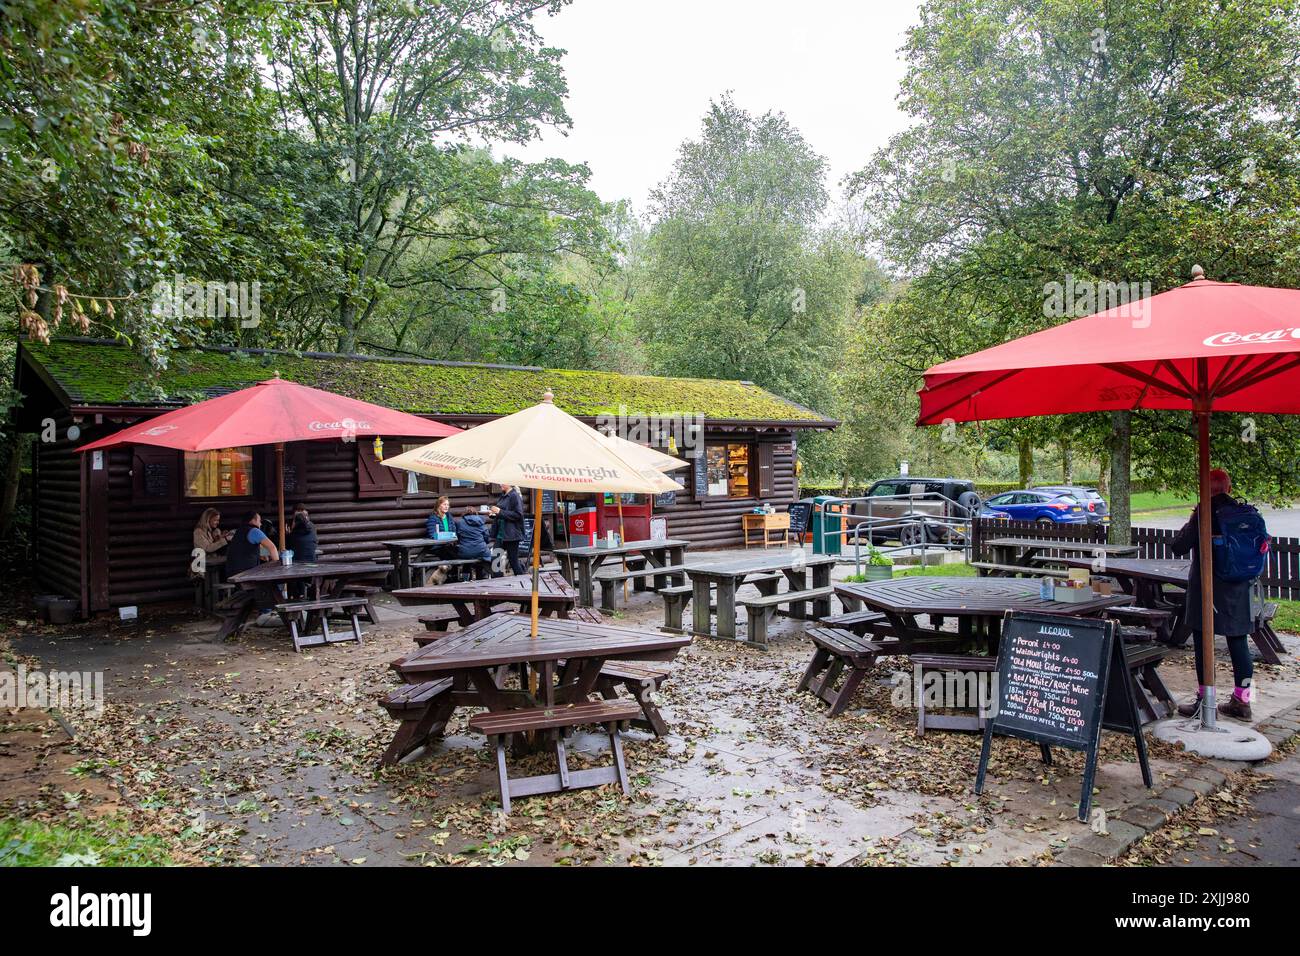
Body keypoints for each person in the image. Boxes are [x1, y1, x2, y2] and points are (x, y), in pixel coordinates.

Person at [1171, 469, 1258, 721]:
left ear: (1206, 490)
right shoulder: (1244, 511)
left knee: (1202, 641)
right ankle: (1242, 701)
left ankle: (1204, 699)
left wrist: (1193, 517)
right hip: (1239, 587)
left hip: (1207, 587)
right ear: (1228, 488)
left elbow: (1178, 546)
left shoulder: (1205, 512)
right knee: (1239, 643)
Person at [224, 510, 280, 576]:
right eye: (259, 521)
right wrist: (278, 569)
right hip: (245, 573)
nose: (261, 524)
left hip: (233, 572)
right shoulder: (254, 531)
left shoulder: (239, 531)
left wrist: (275, 553)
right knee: (275, 580)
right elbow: (272, 547)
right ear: (253, 520)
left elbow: (249, 551)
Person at [491, 483, 526, 575]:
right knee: (495, 559)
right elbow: (502, 513)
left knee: (513, 561)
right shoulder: (503, 496)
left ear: (510, 483)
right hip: (500, 534)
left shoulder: (515, 496)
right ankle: (497, 583)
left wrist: (500, 512)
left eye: (503, 482)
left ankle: (522, 580)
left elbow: (518, 515)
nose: (500, 484)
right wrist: (494, 514)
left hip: (512, 535)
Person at [453, 506, 494, 579]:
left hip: (465, 552)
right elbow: (487, 538)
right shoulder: (481, 522)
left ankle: (465, 580)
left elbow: (458, 537)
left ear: (464, 514)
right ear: (476, 513)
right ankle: (481, 578)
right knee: (483, 560)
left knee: (467, 561)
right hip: (481, 550)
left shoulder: (459, 522)